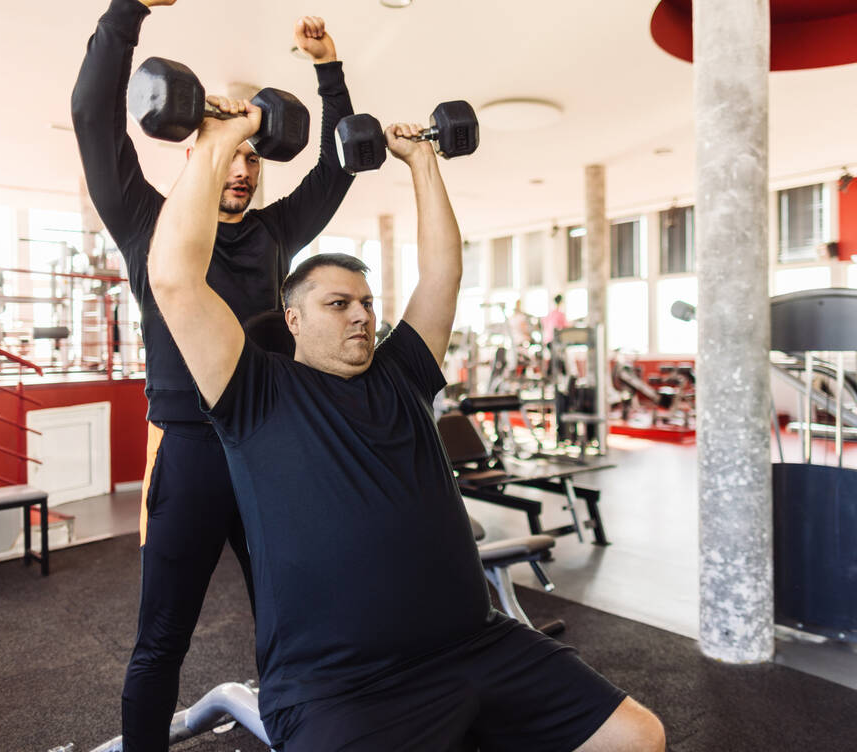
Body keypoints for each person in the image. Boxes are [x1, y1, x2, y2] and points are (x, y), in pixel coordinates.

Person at [146, 100, 666, 751]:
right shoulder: (253, 391)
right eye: (338, 304)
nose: (361, 316)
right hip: (338, 686)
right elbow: (173, 278)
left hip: (479, 645)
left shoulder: (402, 374)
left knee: (639, 738)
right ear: (294, 321)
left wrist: (423, 160)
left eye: (366, 303)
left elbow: (443, 271)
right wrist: (219, 142)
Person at [70, 1, 355, 747]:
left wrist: (329, 71)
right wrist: (127, 12)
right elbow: (93, 116)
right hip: (192, 456)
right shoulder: (145, 225)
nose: (242, 166)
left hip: (267, 450)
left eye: (253, 157)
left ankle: (302, 733)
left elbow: (337, 168)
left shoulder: (272, 234)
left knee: (290, 621)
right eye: (227, 151)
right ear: (196, 151)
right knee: (162, 638)